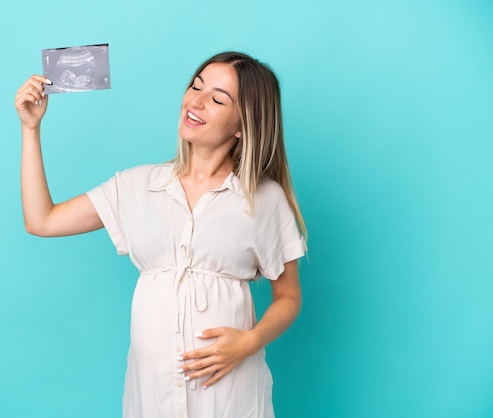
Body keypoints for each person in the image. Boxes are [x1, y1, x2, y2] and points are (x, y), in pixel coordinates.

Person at [15, 51, 307, 418]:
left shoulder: (263, 199)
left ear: (242, 125)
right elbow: (42, 220)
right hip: (152, 396)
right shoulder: (137, 186)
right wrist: (30, 130)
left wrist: (250, 342)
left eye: (217, 98)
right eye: (195, 86)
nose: (196, 101)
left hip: (229, 395)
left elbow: (288, 295)